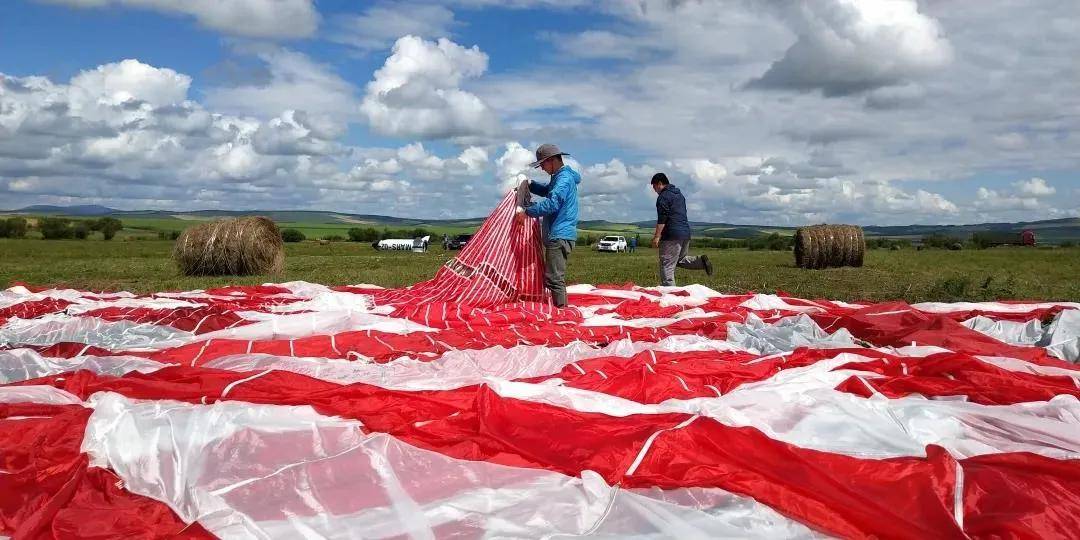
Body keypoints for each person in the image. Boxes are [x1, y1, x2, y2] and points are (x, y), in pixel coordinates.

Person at [517, 143, 580, 307]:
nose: (542, 169)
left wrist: (527, 212)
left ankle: (562, 313)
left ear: (552, 160)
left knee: (554, 278)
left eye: (542, 164)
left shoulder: (564, 179)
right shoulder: (559, 178)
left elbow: (552, 203)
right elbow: (548, 191)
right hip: (558, 234)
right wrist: (530, 184)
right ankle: (559, 309)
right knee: (554, 276)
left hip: (559, 234)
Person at [650, 172, 712, 286]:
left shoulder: (663, 197)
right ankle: (701, 262)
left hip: (671, 235)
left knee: (667, 265)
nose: (654, 190)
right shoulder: (679, 195)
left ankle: (669, 294)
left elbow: (662, 219)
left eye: (654, 187)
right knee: (679, 259)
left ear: (659, 184)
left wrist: (657, 236)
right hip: (685, 233)